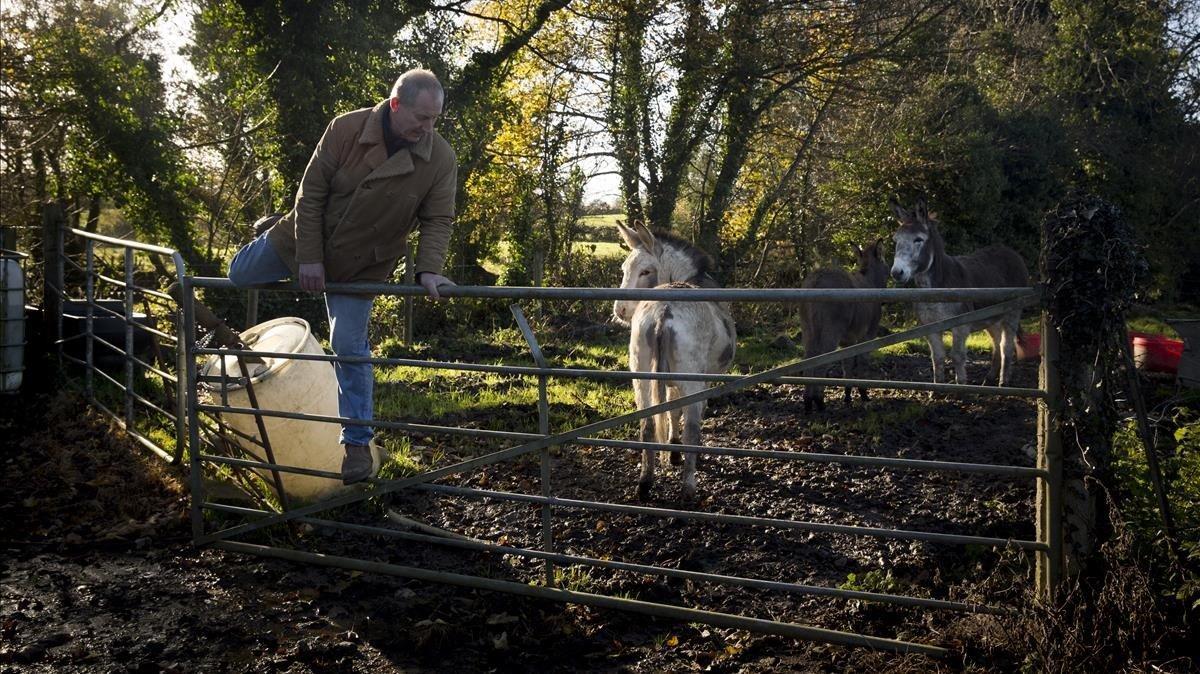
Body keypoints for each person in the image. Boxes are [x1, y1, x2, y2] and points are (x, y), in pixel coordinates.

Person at [227, 68, 457, 485]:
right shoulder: (346, 129)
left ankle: (355, 444)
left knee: (349, 346)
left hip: (361, 262)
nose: (428, 127)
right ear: (395, 105)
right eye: (422, 118)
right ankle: (270, 229)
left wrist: (428, 271)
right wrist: (309, 259)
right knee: (238, 275)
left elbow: (438, 218)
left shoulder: (439, 157)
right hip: (303, 238)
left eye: (435, 119)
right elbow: (310, 194)